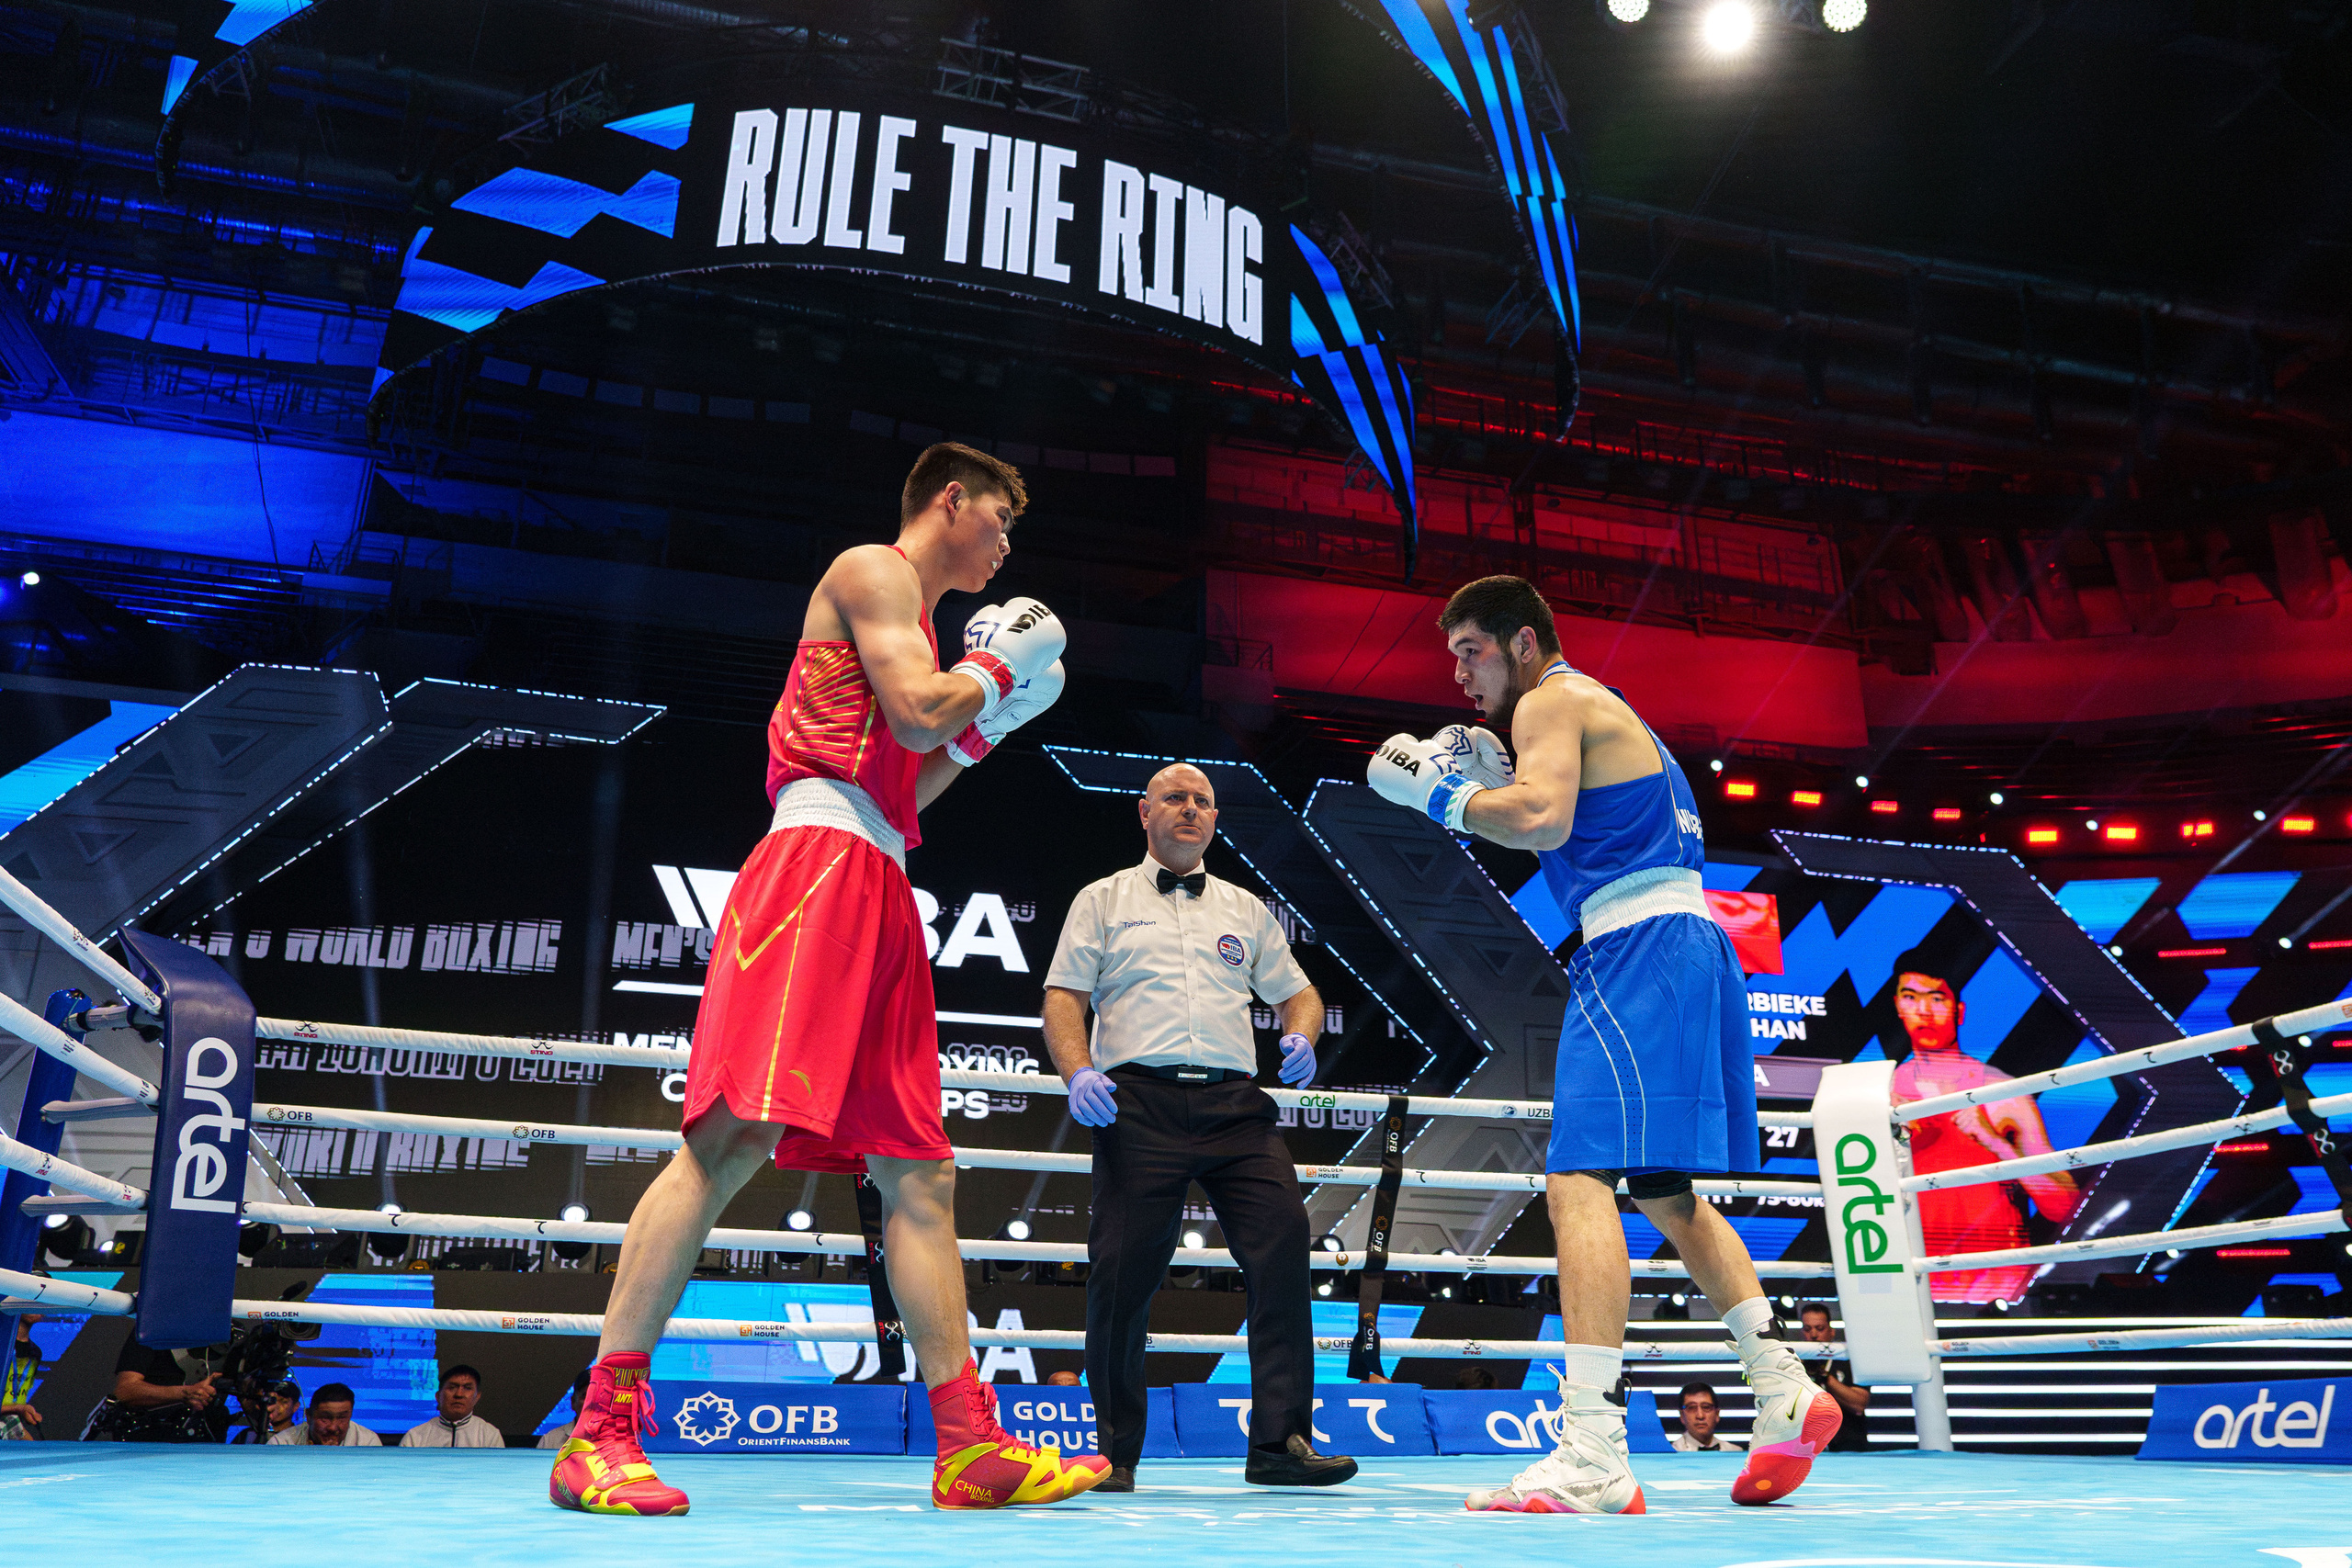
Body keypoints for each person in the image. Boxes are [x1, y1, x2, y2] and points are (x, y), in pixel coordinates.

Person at [551, 444, 1102, 1518]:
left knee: (920, 1173)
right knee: (726, 1142)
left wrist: (990, 726)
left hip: (881, 878)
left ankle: (967, 1445)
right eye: (999, 518)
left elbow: (913, 781)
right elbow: (910, 713)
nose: (1004, 543)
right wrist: (990, 678)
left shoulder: (925, 629)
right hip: (812, 873)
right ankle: (599, 1432)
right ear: (952, 500)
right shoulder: (873, 570)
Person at [1366, 575, 1838, 1516]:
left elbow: (1536, 821)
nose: (1458, 673)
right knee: (1662, 1187)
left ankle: (1590, 1447)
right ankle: (1783, 1386)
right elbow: (1559, 818)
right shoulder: (1595, 710)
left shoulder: (1551, 697)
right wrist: (1475, 783)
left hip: (1636, 950)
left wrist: (1440, 795)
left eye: (1470, 650)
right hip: (1684, 944)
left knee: (1576, 1179)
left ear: (1525, 642)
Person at [1044, 763, 1356, 1496]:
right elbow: (1063, 997)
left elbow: (1301, 994)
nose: (1191, 809)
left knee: (1282, 1249)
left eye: (1203, 801)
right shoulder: (1102, 898)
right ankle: (1115, 1452)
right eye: (1176, 798)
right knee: (1122, 1275)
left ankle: (1279, 1443)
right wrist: (1077, 1072)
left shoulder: (1246, 908)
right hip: (1137, 1102)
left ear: (1215, 818)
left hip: (1235, 1106)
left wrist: (1304, 1035)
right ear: (1145, 812)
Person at [1885, 950, 2082, 1303]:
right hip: (1914, 1288)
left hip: (2000, 1289)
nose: (1924, 1011)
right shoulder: (1881, 1096)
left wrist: (1998, 1146)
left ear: (1958, 1011)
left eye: (1937, 998)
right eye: (1911, 997)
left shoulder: (2000, 1092)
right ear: (1898, 1006)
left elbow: (2065, 1206)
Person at [105, 1326, 230, 1441]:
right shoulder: (151, 1327)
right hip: (153, 1438)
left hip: (209, 1442)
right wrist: (185, 1393)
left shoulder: (233, 1333)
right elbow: (125, 1391)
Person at [1796, 1303, 1871, 1451]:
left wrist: (1825, 1377)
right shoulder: (1794, 1366)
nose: (1814, 1335)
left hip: (1849, 1444)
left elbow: (1859, 1405)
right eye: (1807, 1329)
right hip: (1808, 1446)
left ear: (1831, 1332)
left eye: (1820, 1328)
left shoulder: (1848, 1361)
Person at [402, 1364, 503, 1447]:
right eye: (452, 1387)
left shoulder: (489, 1435)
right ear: (438, 1396)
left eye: (467, 1388)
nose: (459, 1394)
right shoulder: (415, 1437)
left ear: (477, 1397)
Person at [268, 1382, 381, 1446]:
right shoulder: (283, 1443)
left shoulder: (367, 1442)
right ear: (308, 1416)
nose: (332, 1427)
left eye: (342, 1418)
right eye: (325, 1418)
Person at [1668, 1383, 1743, 1452]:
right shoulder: (1672, 1454)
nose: (1700, 1416)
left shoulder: (1734, 1452)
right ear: (1682, 1416)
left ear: (1717, 1414)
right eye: (1692, 1408)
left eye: (1706, 1407)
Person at [2, 1312, 40, 1439]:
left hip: (12, 1424)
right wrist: (18, 1408)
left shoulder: (35, 1352)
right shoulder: (3, 1347)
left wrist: (21, 1410)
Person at [231, 1379, 301, 1443]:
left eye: (283, 1401)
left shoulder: (299, 1438)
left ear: (295, 1406)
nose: (274, 1405)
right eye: (271, 1399)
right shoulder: (247, 1435)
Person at [538, 1369, 591, 1449]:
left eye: (598, 1396)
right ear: (573, 1402)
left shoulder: (615, 1439)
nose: (591, 1402)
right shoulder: (551, 1440)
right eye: (585, 1396)